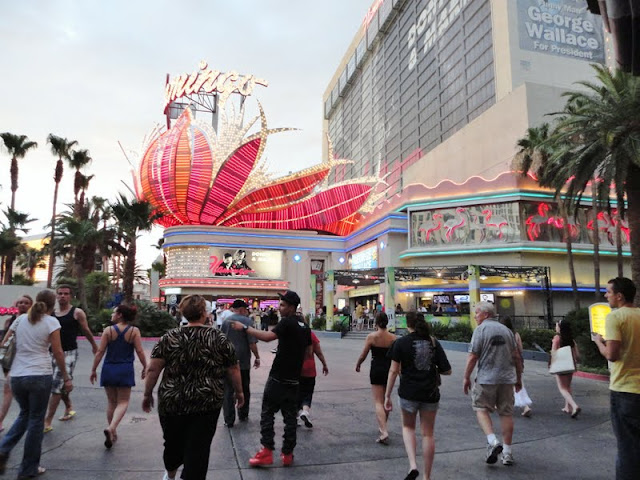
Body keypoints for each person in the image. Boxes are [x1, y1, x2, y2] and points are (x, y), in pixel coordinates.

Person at [143, 295, 243, 480]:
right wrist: (239, 392)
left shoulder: (170, 337)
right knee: (199, 448)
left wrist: (147, 394)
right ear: (204, 313)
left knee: (172, 442)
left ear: (182, 312)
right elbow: (233, 368)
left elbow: (153, 369)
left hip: (173, 401)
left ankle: (170, 474)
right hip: (207, 402)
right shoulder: (218, 338)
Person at [230, 290, 311, 467]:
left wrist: (245, 328)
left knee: (267, 413)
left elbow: (268, 337)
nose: (279, 308)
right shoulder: (304, 326)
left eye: (282, 305)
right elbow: (308, 353)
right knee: (290, 418)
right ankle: (287, 453)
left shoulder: (287, 322)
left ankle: (266, 451)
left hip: (278, 378)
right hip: (294, 380)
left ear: (291, 307)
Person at [0, 289, 73, 479]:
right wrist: (66, 377)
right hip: (40, 374)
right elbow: (58, 352)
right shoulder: (51, 322)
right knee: (36, 420)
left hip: (17, 375)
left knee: (25, 414)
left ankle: (3, 448)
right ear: (52, 304)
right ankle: (28, 468)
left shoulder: (19, 320)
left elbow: (4, 344)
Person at [385, 312, 452, 480]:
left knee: (408, 428)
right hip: (430, 393)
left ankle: (413, 465)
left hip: (408, 393)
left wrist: (387, 395)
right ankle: (427, 476)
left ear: (407, 324)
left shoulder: (400, 343)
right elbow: (447, 370)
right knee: (428, 434)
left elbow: (393, 371)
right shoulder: (433, 342)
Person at [463, 301, 522, 466]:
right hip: (507, 379)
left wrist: (466, 377)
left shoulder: (480, 330)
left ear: (486, 314)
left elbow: (473, 356)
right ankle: (507, 453)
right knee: (506, 413)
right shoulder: (507, 331)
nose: (475, 316)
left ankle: (493, 441)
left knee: (480, 408)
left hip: (486, 379)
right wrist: (518, 378)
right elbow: (516, 356)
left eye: (477, 313)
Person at [594, 277, 640, 480]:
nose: (606, 296)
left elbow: (612, 355)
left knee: (627, 447)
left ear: (619, 296)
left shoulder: (615, 317)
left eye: (609, 292)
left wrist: (599, 342)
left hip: (625, 390)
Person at [89, 304, 148, 448]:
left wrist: (94, 369)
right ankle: (112, 428)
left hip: (109, 368)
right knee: (123, 401)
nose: (112, 315)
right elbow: (140, 351)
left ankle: (112, 431)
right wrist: (145, 366)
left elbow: (100, 352)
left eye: (114, 312)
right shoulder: (134, 331)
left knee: (111, 402)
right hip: (125, 369)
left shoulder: (108, 331)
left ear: (120, 315)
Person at [43, 285, 98, 432]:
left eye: (66, 294)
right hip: (51, 352)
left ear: (71, 296)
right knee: (57, 384)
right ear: (56, 296)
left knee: (57, 385)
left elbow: (86, 330)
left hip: (69, 353)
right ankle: (68, 406)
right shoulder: (51, 313)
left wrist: (94, 345)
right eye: (60, 293)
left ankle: (47, 421)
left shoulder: (77, 312)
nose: (62, 296)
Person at [355, 312, 397, 444]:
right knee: (386, 398)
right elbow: (397, 358)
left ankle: (384, 431)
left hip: (376, 369)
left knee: (378, 401)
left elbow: (364, 354)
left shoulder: (372, 337)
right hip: (389, 370)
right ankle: (383, 426)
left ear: (376, 322)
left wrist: (358, 364)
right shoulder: (393, 338)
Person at [220, 299, 260, 427]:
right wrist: (257, 357)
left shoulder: (226, 322)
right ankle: (243, 414)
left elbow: (220, 341)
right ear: (242, 309)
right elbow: (252, 343)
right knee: (244, 388)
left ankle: (228, 419)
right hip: (243, 361)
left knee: (228, 390)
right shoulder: (247, 321)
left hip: (228, 361)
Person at [0, 295, 33, 432]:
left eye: (26, 303)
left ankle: (31, 417)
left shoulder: (33, 321)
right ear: (16, 305)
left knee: (27, 390)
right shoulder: (10, 321)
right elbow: (4, 342)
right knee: (8, 389)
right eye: (20, 302)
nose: (22, 305)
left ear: (31, 305)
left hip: (27, 360)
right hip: (10, 360)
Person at [499, 316, 532, 418]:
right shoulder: (516, 334)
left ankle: (507, 404)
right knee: (518, 382)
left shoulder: (502, 335)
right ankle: (525, 406)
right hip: (517, 362)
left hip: (505, 362)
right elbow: (520, 349)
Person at [297, 326, 328, 428]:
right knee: (307, 393)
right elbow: (319, 352)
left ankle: (294, 417)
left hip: (295, 369)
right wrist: (324, 365)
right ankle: (305, 412)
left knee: (296, 392)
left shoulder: (292, 333)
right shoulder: (311, 335)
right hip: (309, 369)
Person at [551, 320, 581, 418]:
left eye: (557, 325)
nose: (556, 327)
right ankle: (567, 407)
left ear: (560, 328)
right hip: (571, 365)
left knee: (562, 388)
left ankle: (574, 406)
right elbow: (577, 355)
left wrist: (552, 364)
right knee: (567, 386)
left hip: (561, 365)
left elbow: (553, 352)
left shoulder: (557, 338)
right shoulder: (571, 340)